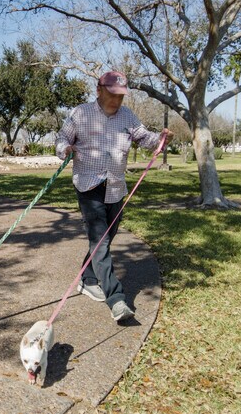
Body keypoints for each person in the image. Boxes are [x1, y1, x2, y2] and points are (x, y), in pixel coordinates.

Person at [55, 71, 173, 322]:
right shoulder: (80, 113)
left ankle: (87, 280)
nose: (117, 100)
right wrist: (64, 149)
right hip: (88, 185)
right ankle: (117, 299)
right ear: (99, 90)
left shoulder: (127, 116)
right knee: (100, 241)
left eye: (121, 96)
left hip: (116, 186)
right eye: (113, 94)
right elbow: (62, 137)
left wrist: (161, 139)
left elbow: (145, 138)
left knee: (105, 238)